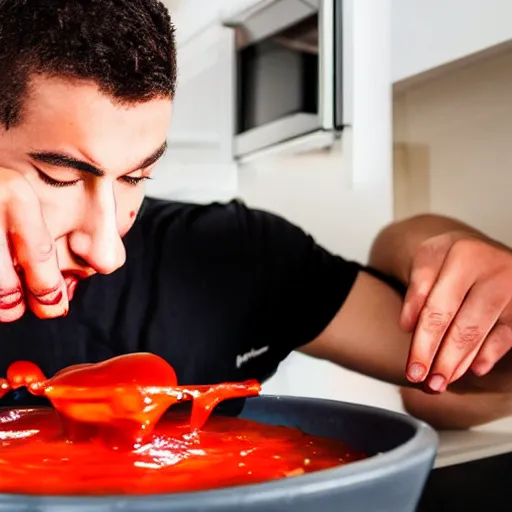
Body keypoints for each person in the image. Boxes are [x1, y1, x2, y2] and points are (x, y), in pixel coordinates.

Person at [0, 0, 510, 431]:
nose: (108, 251)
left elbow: (455, 382)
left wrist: (427, 243)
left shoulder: (235, 254)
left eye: (136, 177)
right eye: (60, 178)